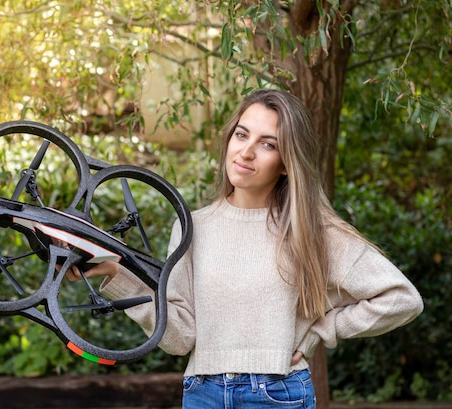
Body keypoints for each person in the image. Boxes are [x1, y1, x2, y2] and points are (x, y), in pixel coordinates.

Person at [69, 89, 424, 408]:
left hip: (278, 394)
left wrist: (322, 330)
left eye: (268, 144)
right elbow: (180, 339)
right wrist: (119, 275)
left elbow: (401, 298)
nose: (247, 151)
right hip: (201, 393)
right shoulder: (192, 228)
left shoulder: (313, 231)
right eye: (241, 135)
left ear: (286, 163)